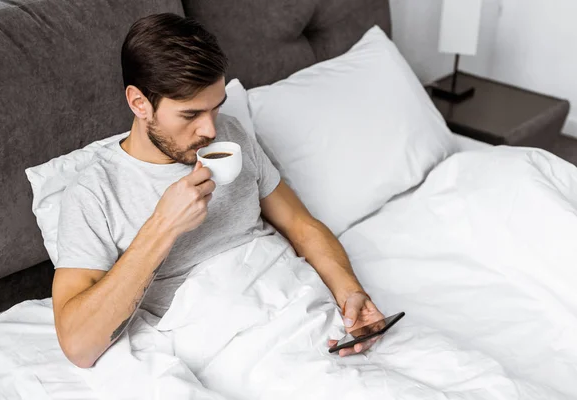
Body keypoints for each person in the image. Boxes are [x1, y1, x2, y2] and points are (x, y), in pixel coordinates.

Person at [52, 13, 385, 369]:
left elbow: (301, 225)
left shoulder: (231, 134)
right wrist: (162, 226)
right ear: (139, 103)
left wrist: (350, 292)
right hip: (236, 344)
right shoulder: (94, 192)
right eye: (190, 114)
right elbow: (78, 345)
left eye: (216, 107)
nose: (211, 129)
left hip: (306, 308)